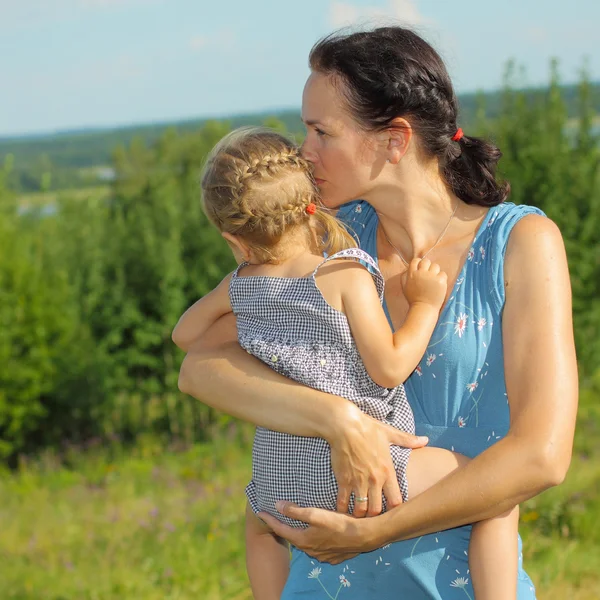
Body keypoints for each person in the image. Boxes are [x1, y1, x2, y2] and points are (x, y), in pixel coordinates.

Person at [177, 27, 578, 599]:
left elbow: (542, 457)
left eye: (321, 131)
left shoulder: (520, 242)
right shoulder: (325, 243)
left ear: (394, 139)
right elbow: (199, 366)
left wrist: (374, 531)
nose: (302, 152)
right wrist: (341, 422)